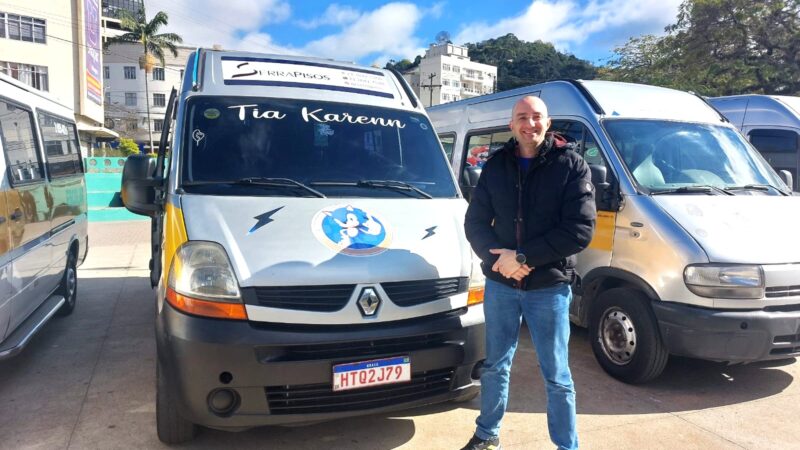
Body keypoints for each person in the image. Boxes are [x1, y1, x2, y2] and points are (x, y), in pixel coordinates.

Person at [461, 96, 596, 450]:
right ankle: (487, 434)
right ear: (512, 124)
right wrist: (498, 261)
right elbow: (475, 222)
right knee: (495, 365)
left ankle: (566, 445)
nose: (529, 123)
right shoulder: (496, 165)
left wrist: (522, 257)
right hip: (501, 284)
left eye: (537, 117)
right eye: (522, 117)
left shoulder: (572, 165)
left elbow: (579, 230)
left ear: (548, 124)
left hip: (548, 288)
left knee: (556, 374)